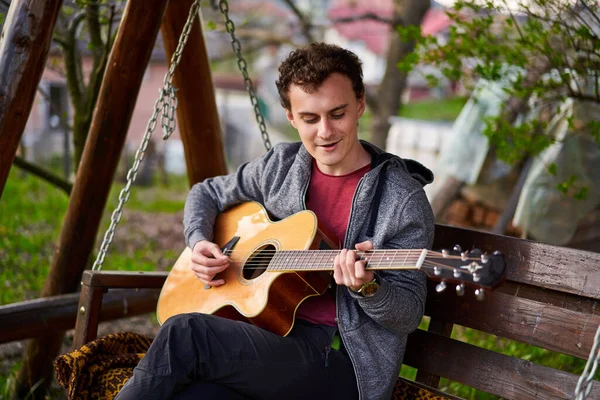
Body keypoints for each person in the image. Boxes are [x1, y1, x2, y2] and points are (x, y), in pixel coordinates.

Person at [115, 42, 434, 400]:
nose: (325, 132)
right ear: (291, 117)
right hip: (265, 337)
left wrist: (367, 288)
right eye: (310, 119)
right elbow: (206, 192)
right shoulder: (282, 166)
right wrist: (199, 241)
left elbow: (407, 314)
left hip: (339, 364)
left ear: (360, 104)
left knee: (184, 334)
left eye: (337, 114)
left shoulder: (401, 198)